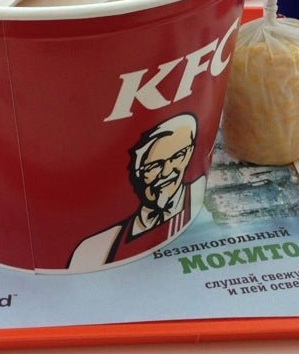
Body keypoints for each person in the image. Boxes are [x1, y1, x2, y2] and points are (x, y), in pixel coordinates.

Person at [67, 113, 206, 270]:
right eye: (155, 166)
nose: (167, 172)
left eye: (178, 156)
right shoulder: (99, 248)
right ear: (138, 174)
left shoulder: (198, 190)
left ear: (189, 153)